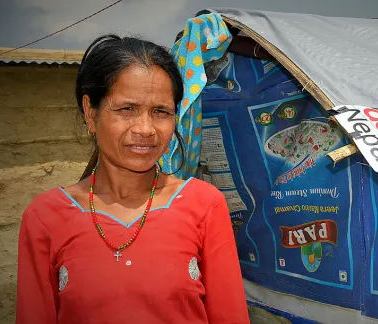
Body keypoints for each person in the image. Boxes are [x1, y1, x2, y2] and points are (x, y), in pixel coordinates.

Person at [15, 34, 250, 324]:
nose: (146, 129)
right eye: (127, 109)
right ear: (91, 113)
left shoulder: (204, 205)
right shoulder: (45, 217)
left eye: (161, 112)